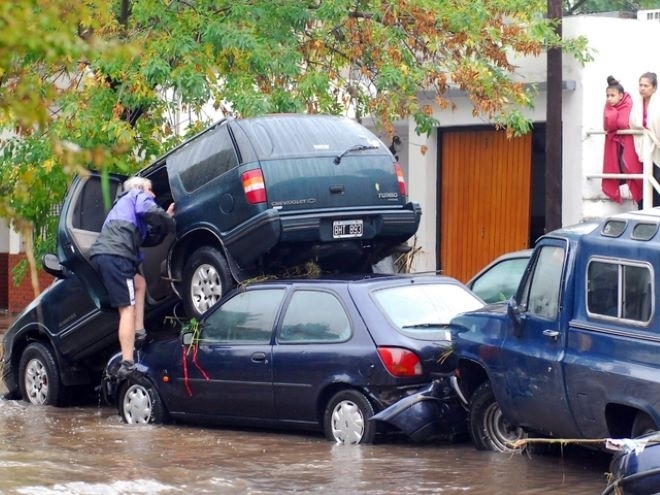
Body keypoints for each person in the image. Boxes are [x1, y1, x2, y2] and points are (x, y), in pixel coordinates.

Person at [90, 176, 175, 378]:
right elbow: (150, 210)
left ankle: (139, 331)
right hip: (117, 256)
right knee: (126, 307)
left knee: (140, 283)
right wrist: (167, 219)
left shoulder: (123, 208)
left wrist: (166, 218)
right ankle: (127, 362)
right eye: (150, 190)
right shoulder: (135, 194)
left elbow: (150, 238)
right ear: (140, 189)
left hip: (110, 255)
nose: (153, 194)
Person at [602, 76, 643, 208]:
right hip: (615, 147)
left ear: (621, 96)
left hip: (630, 147)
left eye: (612, 95)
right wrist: (612, 112)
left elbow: (623, 123)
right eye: (607, 96)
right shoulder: (608, 108)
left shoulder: (628, 105)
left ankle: (642, 200)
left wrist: (612, 114)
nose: (609, 99)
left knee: (635, 174)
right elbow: (608, 126)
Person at [629, 71, 660, 207]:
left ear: (654, 88)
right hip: (643, 147)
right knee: (644, 181)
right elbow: (633, 122)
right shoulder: (637, 104)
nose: (642, 88)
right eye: (640, 85)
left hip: (656, 146)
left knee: (657, 179)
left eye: (646, 86)